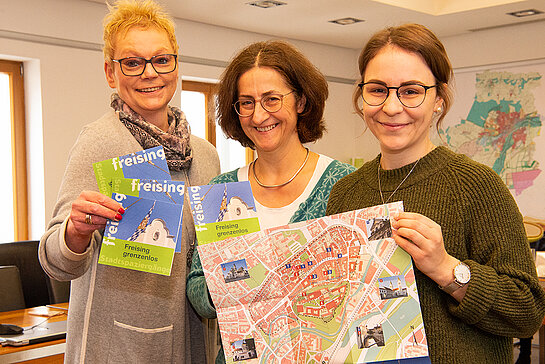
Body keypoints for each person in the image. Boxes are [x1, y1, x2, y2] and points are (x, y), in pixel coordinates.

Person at [325, 23, 545, 363]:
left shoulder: (476, 185)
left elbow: (528, 310)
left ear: (438, 100)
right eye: (378, 90)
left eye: (411, 91)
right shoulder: (345, 193)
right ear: (361, 97)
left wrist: (447, 269)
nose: (392, 107)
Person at [39, 1, 219, 362]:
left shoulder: (206, 155)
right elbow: (55, 262)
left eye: (161, 60)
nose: (150, 73)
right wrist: (75, 232)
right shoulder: (100, 142)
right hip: (120, 348)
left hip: (195, 344)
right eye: (133, 62)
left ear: (176, 64)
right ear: (111, 72)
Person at [186, 40, 355, 363]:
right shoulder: (222, 190)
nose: (259, 115)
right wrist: (236, 280)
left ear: (301, 102)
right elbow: (197, 290)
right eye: (246, 103)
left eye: (271, 99)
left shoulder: (343, 184)